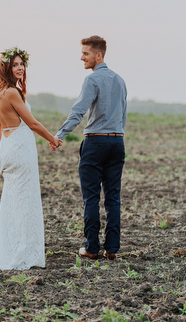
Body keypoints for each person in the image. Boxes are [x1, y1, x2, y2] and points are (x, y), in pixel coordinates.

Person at [56, 35, 127, 260]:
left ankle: (91, 248)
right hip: (117, 141)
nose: (82, 58)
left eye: (85, 53)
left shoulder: (92, 80)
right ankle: (112, 249)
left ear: (99, 55)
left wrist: (60, 134)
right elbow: (123, 114)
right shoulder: (120, 80)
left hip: (96, 142)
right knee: (113, 197)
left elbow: (79, 111)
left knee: (91, 197)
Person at [0, 47, 61, 270]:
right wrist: (52, 138)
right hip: (21, 147)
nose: (20, 68)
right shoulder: (11, 92)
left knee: (12, 201)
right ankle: (23, 254)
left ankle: (9, 250)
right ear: (6, 67)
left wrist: (1, 154)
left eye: (22, 64)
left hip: (9, 147)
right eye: (15, 65)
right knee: (25, 201)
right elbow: (31, 123)